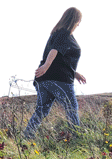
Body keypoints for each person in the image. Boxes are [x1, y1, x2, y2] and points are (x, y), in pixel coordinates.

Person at [23, 7, 87, 140]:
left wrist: (75, 74)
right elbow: (54, 51)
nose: (79, 24)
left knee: (42, 110)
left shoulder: (57, 33)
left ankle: (27, 136)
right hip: (59, 79)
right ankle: (77, 138)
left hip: (44, 79)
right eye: (79, 20)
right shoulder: (64, 33)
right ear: (75, 20)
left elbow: (61, 60)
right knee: (71, 107)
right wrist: (46, 66)